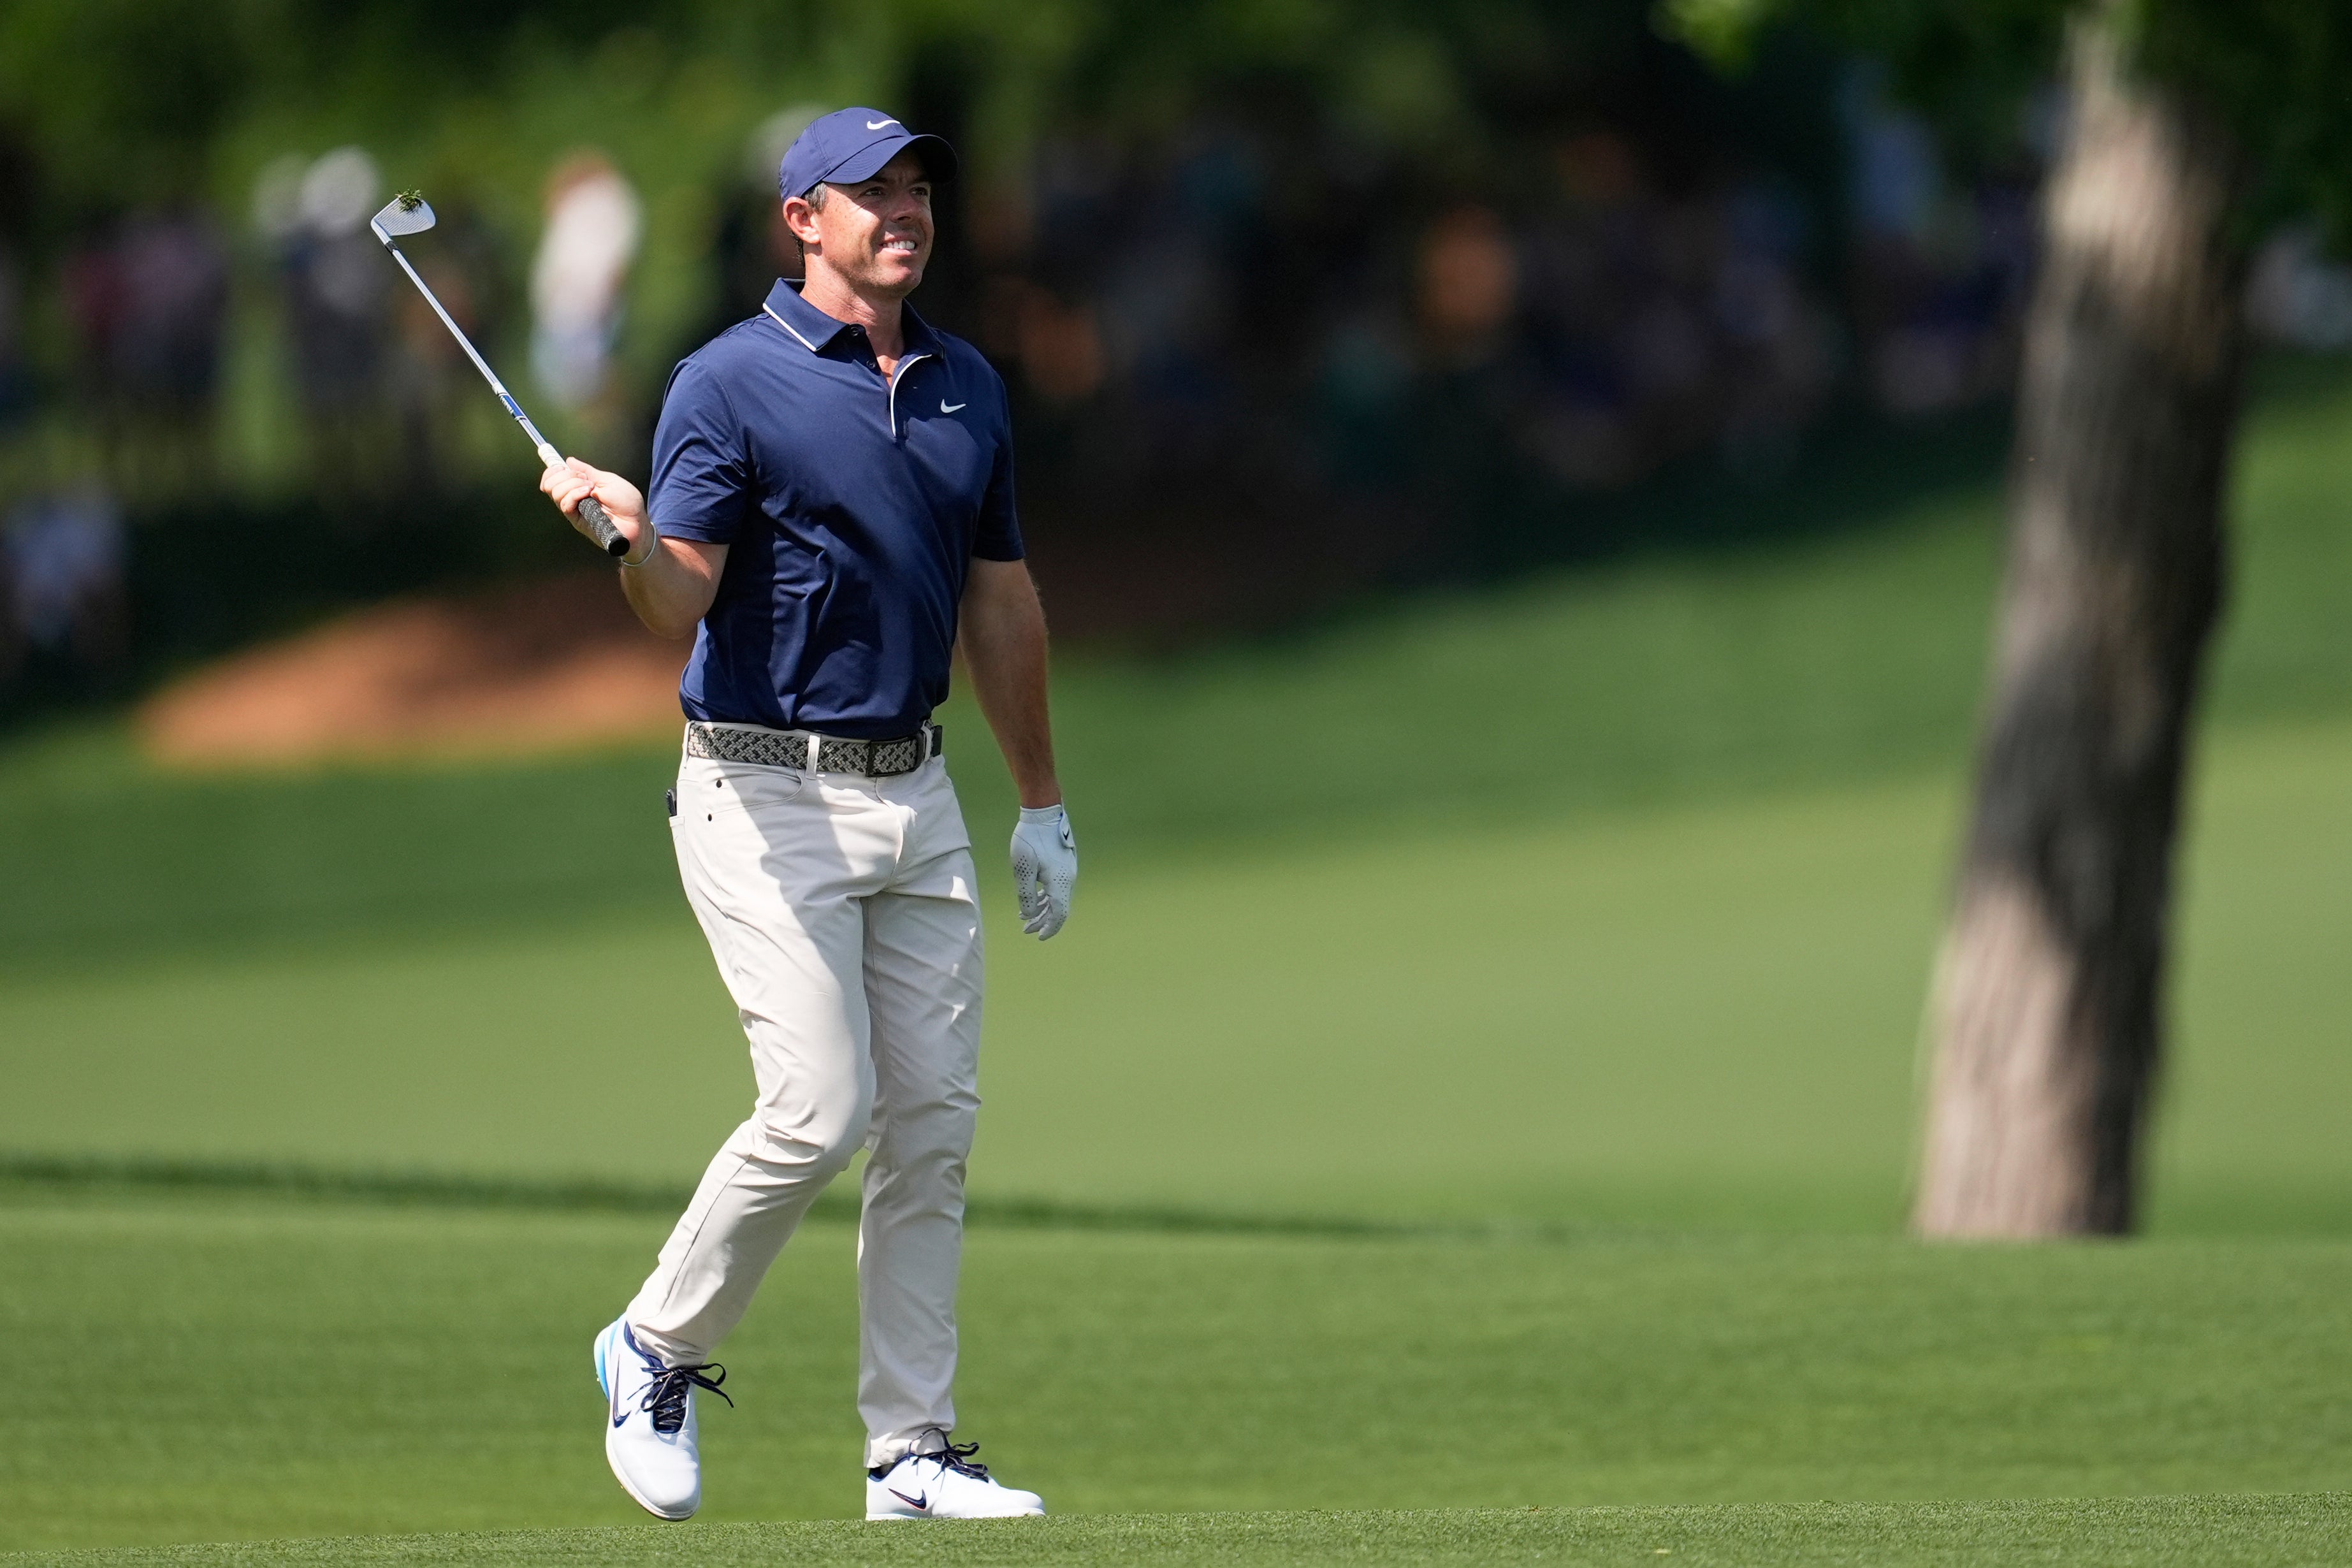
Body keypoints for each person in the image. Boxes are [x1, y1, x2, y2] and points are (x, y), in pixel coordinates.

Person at [540, 107, 1075, 1525]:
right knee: (822, 1104)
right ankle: (652, 1345)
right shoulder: (729, 384)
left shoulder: (966, 384)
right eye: (871, 193)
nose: (904, 211)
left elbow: (1002, 599)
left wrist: (1042, 803)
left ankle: (910, 1450)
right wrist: (619, 530)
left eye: (918, 190)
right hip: (758, 781)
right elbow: (676, 602)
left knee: (933, 1131)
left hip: (918, 790)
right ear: (803, 219)